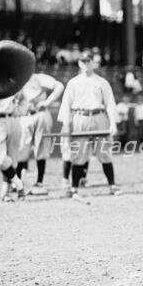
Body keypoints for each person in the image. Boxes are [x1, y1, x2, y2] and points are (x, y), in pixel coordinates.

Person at [57, 50, 121, 198]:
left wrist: (113, 123)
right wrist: (66, 124)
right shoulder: (73, 82)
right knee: (79, 154)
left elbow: (110, 103)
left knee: (104, 153)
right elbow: (66, 105)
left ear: (93, 62)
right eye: (83, 61)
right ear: (79, 63)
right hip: (80, 117)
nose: (86, 64)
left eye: (88, 61)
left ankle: (112, 186)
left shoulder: (102, 82)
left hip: (99, 117)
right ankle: (73, 188)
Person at [15, 73, 64, 195]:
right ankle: (17, 183)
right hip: (24, 117)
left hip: (40, 114)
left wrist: (47, 102)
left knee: (41, 149)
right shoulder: (17, 78)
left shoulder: (38, 77)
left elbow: (59, 86)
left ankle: (39, 182)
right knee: (21, 150)